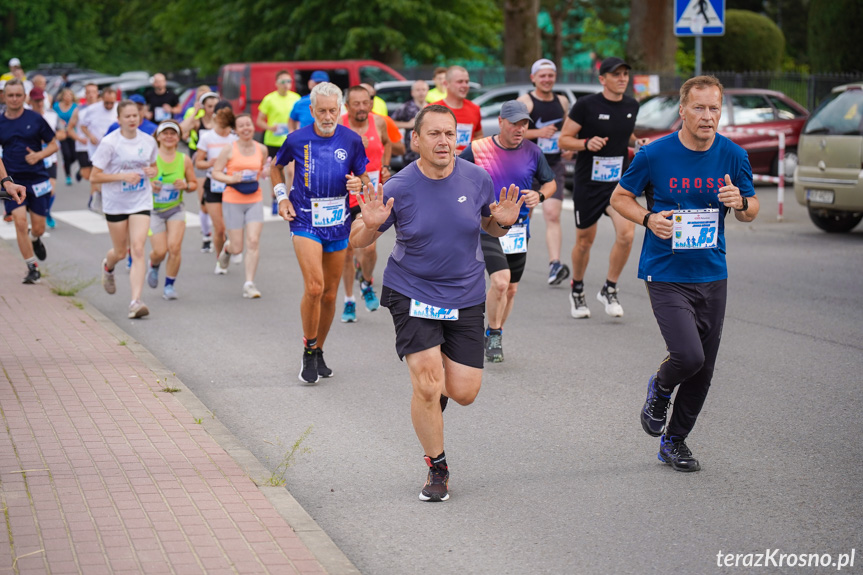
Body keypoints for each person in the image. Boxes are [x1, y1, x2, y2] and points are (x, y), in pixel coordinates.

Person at [350, 104, 522, 502]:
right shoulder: (399, 186)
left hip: (464, 294)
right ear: (416, 140)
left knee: (463, 391)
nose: (444, 141)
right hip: (411, 291)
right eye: (434, 134)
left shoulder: (478, 178)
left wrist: (503, 222)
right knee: (428, 382)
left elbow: (488, 225)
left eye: (450, 134)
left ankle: (427, 400)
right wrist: (371, 223)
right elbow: (360, 238)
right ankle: (437, 466)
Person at [609, 75, 759, 472]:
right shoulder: (655, 155)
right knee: (688, 356)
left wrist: (740, 201)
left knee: (704, 368)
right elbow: (619, 197)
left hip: (712, 271)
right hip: (665, 270)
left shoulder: (733, 155)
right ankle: (660, 386)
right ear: (682, 110)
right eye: (699, 107)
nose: (707, 116)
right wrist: (647, 218)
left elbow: (750, 210)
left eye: (714, 108)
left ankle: (674, 442)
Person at [272, 82, 369, 385]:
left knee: (329, 294)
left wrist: (359, 184)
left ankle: (319, 350)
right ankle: (308, 348)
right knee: (314, 287)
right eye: (322, 111)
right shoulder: (296, 138)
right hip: (304, 219)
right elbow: (275, 167)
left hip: (337, 222)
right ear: (311, 110)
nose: (328, 116)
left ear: (341, 110)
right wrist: (281, 197)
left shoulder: (352, 140)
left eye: (333, 110)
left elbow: (363, 175)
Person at [459, 101, 555, 363]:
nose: (520, 128)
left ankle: (494, 330)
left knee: (511, 289)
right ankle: (493, 332)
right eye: (514, 123)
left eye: (524, 124)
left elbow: (551, 181)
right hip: (488, 227)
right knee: (500, 281)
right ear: (501, 122)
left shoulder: (534, 152)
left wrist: (540, 194)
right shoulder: (478, 149)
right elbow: (454, 173)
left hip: (518, 230)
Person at [559, 57, 649, 319]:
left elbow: (625, 133)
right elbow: (565, 139)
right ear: (602, 79)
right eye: (616, 74)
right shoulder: (586, 105)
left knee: (627, 235)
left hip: (617, 185)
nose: (622, 78)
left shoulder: (632, 105)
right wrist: (586, 143)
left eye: (625, 74)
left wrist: (637, 141)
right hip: (588, 184)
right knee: (585, 242)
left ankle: (609, 288)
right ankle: (577, 289)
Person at [90, 99, 159, 319]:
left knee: (138, 249)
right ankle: (108, 267)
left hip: (140, 201)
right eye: (127, 116)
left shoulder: (148, 141)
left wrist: (151, 171)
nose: (132, 119)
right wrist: (122, 176)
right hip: (116, 202)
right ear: (118, 119)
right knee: (120, 252)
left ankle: (135, 302)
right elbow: (95, 176)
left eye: (135, 116)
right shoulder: (110, 143)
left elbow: (155, 166)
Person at [517, 59, 573, 286]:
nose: (547, 79)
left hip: (553, 165)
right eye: (542, 76)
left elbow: (567, 129)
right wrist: (539, 131)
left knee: (552, 214)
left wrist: (568, 146)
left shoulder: (562, 101)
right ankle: (515, 260)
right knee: (523, 216)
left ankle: (555, 264)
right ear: (533, 78)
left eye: (551, 75)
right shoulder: (525, 102)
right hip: (527, 165)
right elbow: (513, 131)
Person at [339, 86, 392, 322]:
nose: (361, 107)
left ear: (370, 103)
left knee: (369, 248)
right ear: (347, 106)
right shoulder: (338, 126)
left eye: (365, 102)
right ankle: (349, 300)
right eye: (356, 103)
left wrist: (386, 166)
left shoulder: (379, 123)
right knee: (347, 251)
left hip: (369, 198)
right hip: (342, 196)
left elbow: (388, 143)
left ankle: (366, 282)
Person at [0, 79, 59, 284]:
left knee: (39, 227)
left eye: (18, 95)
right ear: (4, 97)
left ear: (24, 97)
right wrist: (4, 180)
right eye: (10, 95)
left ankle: (35, 239)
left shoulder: (35, 119)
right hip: (12, 181)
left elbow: (54, 145)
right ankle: (32, 267)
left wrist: (39, 155)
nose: (14, 99)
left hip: (37, 179)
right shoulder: (0, 122)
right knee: (19, 221)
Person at [211, 113, 268, 299]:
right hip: (233, 199)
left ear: (253, 127)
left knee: (253, 241)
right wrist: (231, 178)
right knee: (237, 248)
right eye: (241, 126)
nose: (246, 128)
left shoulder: (262, 149)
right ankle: (227, 250)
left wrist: (266, 172)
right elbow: (216, 173)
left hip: (254, 198)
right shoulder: (229, 150)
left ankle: (249, 284)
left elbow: (260, 171)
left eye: (248, 125)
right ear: (235, 130)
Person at [146, 121, 197, 300]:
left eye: (173, 133)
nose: (169, 136)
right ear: (158, 137)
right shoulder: (150, 159)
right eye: (165, 133)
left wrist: (186, 185)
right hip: (153, 211)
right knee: (160, 251)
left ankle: (169, 285)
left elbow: (194, 184)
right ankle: (154, 264)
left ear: (178, 137)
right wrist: (149, 186)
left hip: (175, 209)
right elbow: (139, 182)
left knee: (174, 248)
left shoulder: (184, 159)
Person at [196, 102, 238, 270]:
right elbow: (198, 163)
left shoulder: (235, 138)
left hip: (232, 185)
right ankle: (220, 260)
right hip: (213, 185)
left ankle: (231, 249)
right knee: (219, 228)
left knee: (232, 226)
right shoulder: (207, 137)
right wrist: (210, 163)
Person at [182, 91, 220, 252]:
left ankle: (221, 233)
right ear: (204, 106)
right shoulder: (198, 123)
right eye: (209, 106)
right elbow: (182, 130)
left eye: (215, 106)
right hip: (201, 165)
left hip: (219, 166)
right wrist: (195, 112)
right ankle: (206, 235)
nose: (212, 109)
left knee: (221, 203)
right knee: (204, 203)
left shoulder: (222, 123)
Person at [29, 87, 66, 229]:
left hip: (50, 158)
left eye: (41, 100)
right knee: (37, 191)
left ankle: (46, 212)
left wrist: (49, 138)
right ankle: (40, 212)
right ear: (30, 101)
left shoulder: (52, 115)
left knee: (51, 189)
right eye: (36, 100)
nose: (39, 103)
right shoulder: (25, 116)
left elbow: (63, 133)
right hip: (33, 158)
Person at [78, 86, 119, 212]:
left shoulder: (119, 108)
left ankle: (102, 197)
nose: (109, 105)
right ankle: (98, 196)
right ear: (101, 99)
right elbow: (83, 126)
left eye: (112, 103)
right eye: (106, 102)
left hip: (114, 150)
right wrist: (90, 136)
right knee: (98, 174)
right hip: (96, 149)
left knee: (111, 175)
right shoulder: (92, 110)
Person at [431, 66, 482, 154]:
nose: (465, 85)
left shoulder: (475, 108)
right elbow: (416, 144)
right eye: (460, 82)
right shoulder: (432, 110)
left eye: (467, 82)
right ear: (446, 84)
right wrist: (446, 151)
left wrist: (468, 151)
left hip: (465, 165)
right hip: (440, 165)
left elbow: (479, 135)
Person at [257, 70, 301, 158]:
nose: (286, 84)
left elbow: (299, 119)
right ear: (276, 83)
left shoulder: (296, 98)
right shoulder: (269, 99)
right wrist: (270, 128)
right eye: (283, 82)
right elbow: (259, 121)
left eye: (288, 81)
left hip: (290, 140)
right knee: (273, 167)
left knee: (290, 169)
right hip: (273, 141)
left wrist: (297, 129)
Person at [66, 82, 100, 187]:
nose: (91, 95)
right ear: (85, 94)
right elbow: (69, 129)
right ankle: (80, 172)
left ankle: (94, 197)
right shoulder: (79, 110)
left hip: (98, 146)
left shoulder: (102, 108)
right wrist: (79, 138)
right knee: (87, 175)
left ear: (97, 93)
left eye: (93, 92)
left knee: (95, 175)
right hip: (83, 147)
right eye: (88, 92)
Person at [391, 79, 428, 165]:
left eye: (423, 89)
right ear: (412, 93)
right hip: (410, 154)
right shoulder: (406, 107)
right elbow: (391, 123)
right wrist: (407, 124)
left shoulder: (432, 107)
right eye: (418, 90)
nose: (421, 92)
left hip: (427, 152)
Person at [52, 88, 78, 186]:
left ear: (72, 97)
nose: (68, 97)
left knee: (74, 156)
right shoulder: (56, 106)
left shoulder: (75, 107)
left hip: (72, 133)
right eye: (66, 95)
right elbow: (53, 118)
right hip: (62, 134)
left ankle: (66, 164)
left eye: (69, 95)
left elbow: (77, 120)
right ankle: (68, 175)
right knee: (66, 155)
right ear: (62, 96)